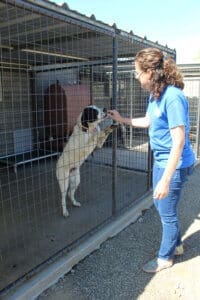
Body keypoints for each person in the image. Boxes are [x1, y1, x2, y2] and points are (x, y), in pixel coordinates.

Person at [107, 47, 195, 273]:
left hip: (175, 164)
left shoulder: (173, 97)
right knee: (161, 205)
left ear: (149, 72)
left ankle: (166, 257)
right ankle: (175, 245)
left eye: (137, 72)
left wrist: (166, 180)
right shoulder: (155, 94)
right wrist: (122, 119)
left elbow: (178, 142)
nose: (136, 76)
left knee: (166, 211)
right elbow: (148, 120)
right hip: (161, 160)